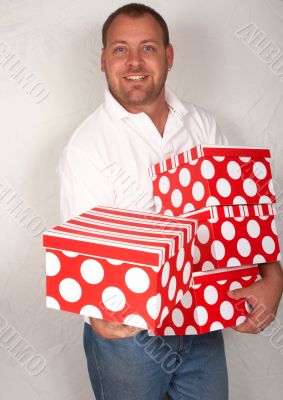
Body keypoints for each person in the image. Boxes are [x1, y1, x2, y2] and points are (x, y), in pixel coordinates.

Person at [58, 3, 283, 400]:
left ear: (169, 55)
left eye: (147, 47)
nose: (133, 62)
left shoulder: (203, 124)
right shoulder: (86, 147)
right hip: (131, 338)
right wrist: (97, 315)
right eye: (120, 49)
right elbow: (87, 255)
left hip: (203, 321)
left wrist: (273, 277)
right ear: (103, 60)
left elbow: (241, 207)